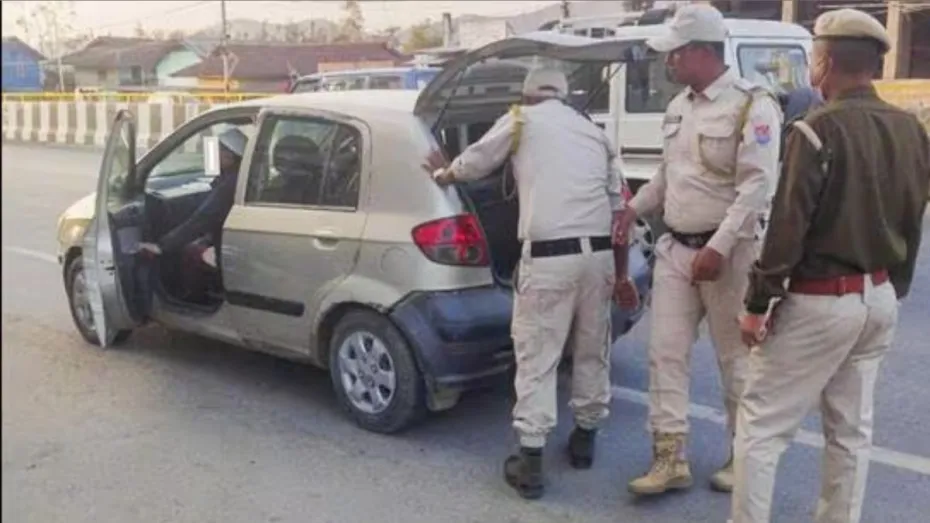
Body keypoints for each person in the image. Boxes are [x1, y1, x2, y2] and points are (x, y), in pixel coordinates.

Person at [733, 8, 930, 523]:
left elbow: (787, 229)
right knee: (850, 433)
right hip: (878, 297)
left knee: (761, 427)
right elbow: (913, 216)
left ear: (824, 61)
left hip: (820, 300)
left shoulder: (816, 129)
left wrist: (757, 303)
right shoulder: (911, 130)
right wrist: (892, 286)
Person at [422, 67, 640, 499]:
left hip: (549, 259)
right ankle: (585, 440)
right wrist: (621, 275)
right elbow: (619, 212)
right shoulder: (593, 132)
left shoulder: (521, 119)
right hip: (597, 258)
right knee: (591, 348)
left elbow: (477, 160)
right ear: (563, 95)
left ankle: (531, 462)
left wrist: (444, 173)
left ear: (527, 96)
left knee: (538, 355)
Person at [613, 4, 782, 495]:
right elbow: (669, 176)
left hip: (731, 255)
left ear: (701, 52)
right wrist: (632, 209)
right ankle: (669, 458)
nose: (668, 62)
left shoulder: (752, 106)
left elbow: (758, 187)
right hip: (676, 249)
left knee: (737, 361)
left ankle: (743, 457)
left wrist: (720, 247)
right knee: (665, 354)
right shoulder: (679, 106)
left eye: (675, 53)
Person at [138, 127, 248, 296]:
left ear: (229, 156)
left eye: (217, 151)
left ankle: (194, 299)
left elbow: (202, 220)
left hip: (227, 250)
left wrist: (162, 246)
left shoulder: (228, 186)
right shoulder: (236, 179)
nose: (212, 156)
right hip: (232, 243)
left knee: (190, 253)